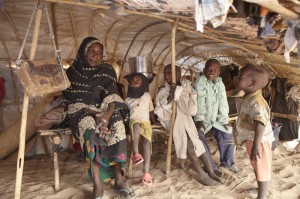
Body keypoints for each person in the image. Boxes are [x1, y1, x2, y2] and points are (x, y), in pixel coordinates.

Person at [62, 37, 134, 199]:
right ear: (83, 51)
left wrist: (107, 116)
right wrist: (95, 115)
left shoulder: (107, 70)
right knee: (90, 129)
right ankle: (97, 184)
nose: (95, 56)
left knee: (119, 127)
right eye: (91, 51)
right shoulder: (72, 72)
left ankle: (119, 180)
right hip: (81, 109)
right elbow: (72, 99)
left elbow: (112, 96)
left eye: (99, 53)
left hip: (105, 108)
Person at [154, 64, 224, 186]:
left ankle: (211, 172)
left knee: (198, 143)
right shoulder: (163, 91)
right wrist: (170, 97)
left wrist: (180, 92)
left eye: (170, 72)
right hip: (174, 122)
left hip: (186, 120)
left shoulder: (186, 86)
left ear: (178, 74)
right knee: (188, 144)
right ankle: (202, 175)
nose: (166, 75)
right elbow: (160, 111)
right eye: (165, 73)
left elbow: (192, 110)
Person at [235, 64, 274, 199]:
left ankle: (262, 196)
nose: (236, 78)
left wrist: (256, 145)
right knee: (257, 167)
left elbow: (260, 124)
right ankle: (260, 190)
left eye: (241, 76)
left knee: (262, 168)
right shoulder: (248, 96)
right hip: (253, 140)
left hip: (260, 142)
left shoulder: (257, 102)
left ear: (251, 83)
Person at [194, 59, 239, 173]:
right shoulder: (200, 82)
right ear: (204, 70)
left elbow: (223, 102)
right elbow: (199, 102)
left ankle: (228, 163)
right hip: (203, 119)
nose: (211, 71)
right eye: (208, 69)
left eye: (214, 70)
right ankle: (211, 166)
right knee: (199, 135)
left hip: (216, 119)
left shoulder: (219, 83)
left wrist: (224, 120)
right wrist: (199, 120)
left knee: (227, 131)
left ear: (219, 72)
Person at [125, 73, 156, 187]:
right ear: (130, 84)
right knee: (136, 125)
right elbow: (125, 114)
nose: (135, 81)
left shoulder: (147, 96)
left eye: (138, 79)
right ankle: (136, 153)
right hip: (134, 121)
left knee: (147, 143)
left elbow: (150, 110)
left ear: (143, 82)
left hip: (146, 123)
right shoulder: (127, 99)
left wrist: (154, 121)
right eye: (133, 80)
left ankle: (146, 172)